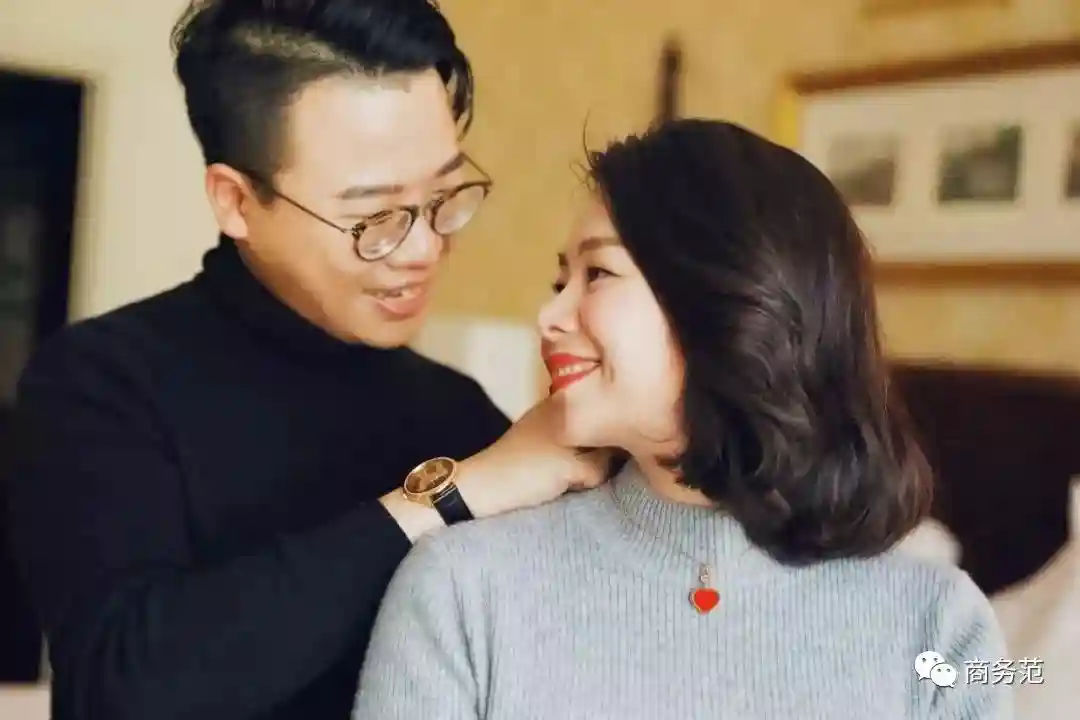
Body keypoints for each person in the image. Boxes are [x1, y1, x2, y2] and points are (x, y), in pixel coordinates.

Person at [4, 1, 604, 719]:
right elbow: (126, 686)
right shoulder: (101, 382)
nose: (422, 249)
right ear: (236, 202)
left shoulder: (459, 413)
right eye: (373, 216)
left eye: (443, 195)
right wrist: (443, 499)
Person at [354, 119, 1013, 719]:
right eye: (560, 282)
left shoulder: (939, 625)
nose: (549, 316)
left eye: (598, 274)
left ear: (729, 302)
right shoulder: (461, 589)